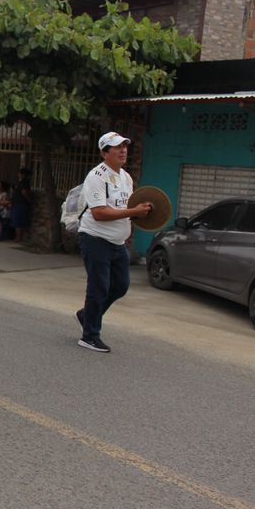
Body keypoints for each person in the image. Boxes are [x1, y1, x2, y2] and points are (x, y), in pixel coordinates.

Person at [75, 131, 152, 353]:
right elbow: (99, 213)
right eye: (117, 147)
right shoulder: (96, 176)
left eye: (124, 146)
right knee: (98, 288)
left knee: (120, 286)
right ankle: (89, 336)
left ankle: (87, 315)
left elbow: (124, 208)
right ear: (104, 152)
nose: (123, 150)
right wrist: (133, 211)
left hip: (118, 242)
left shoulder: (126, 177)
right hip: (95, 239)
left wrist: (141, 213)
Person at [11, 167, 32, 242]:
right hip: (17, 203)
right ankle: (19, 237)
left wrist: (29, 199)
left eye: (20, 173)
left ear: (23, 174)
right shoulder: (20, 182)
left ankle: (19, 237)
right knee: (17, 220)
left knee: (19, 221)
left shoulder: (24, 182)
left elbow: (24, 192)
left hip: (21, 204)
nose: (19, 174)